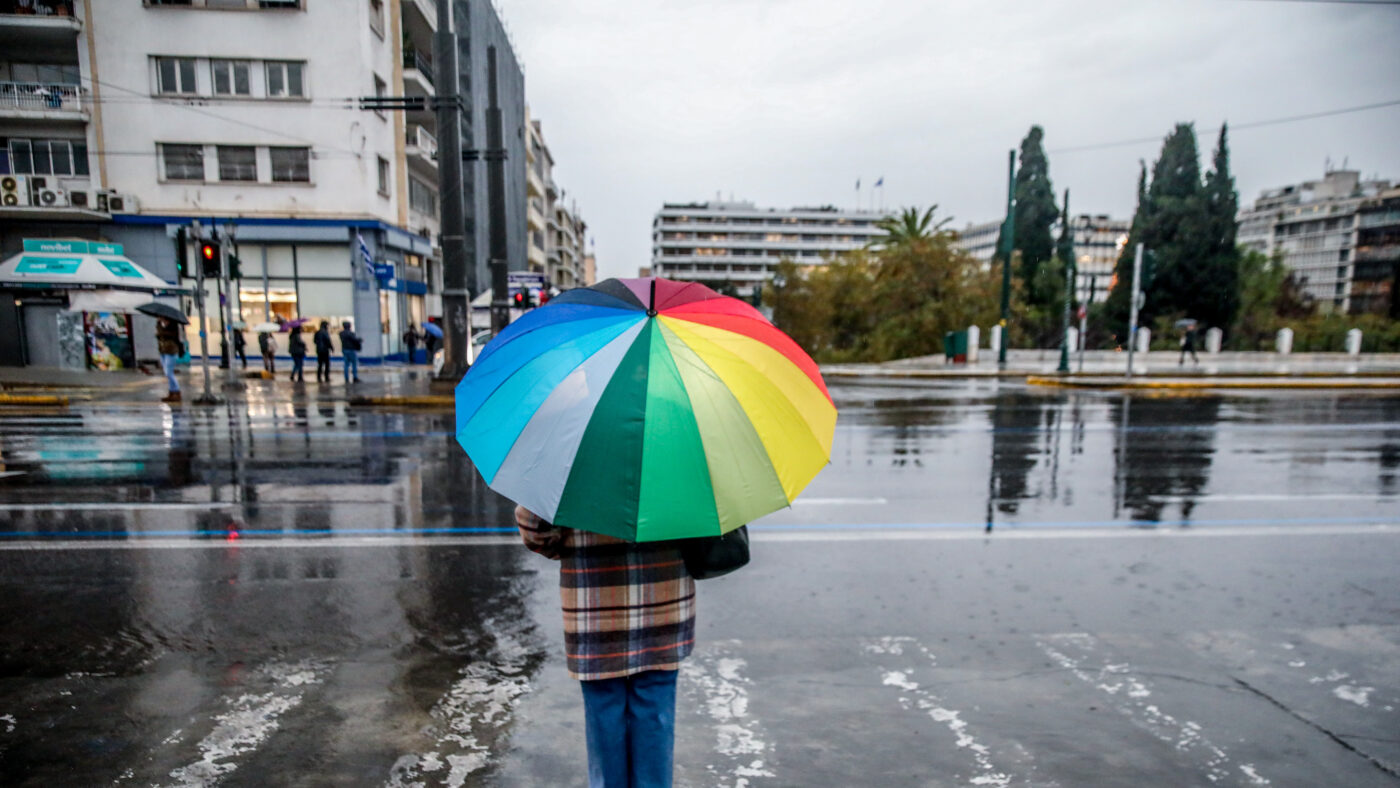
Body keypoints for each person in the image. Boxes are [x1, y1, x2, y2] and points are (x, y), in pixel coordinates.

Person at [516, 506, 694, 788]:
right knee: (654, 714)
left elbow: (534, 528)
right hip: (663, 602)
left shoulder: (570, 462)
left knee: (604, 714)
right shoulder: (680, 462)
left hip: (595, 605)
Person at [155, 317, 182, 404]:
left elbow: (170, 335)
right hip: (163, 351)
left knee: (168, 372)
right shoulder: (160, 325)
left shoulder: (173, 327)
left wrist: (160, 332)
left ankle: (177, 391)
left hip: (171, 351)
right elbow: (160, 335)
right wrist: (158, 325)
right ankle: (171, 392)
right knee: (167, 372)